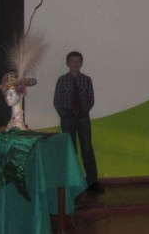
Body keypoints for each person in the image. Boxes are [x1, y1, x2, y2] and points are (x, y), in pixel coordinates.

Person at [54, 51, 103, 192]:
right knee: (71, 148)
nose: (75, 64)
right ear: (67, 63)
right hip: (67, 117)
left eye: (78, 61)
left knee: (87, 147)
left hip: (82, 116)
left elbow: (90, 99)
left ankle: (92, 181)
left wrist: (83, 111)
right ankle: (72, 181)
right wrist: (64, 114)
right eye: (72, 61)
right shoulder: (62, 80)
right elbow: (57, 100)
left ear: (81, 63)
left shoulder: (86, 80)